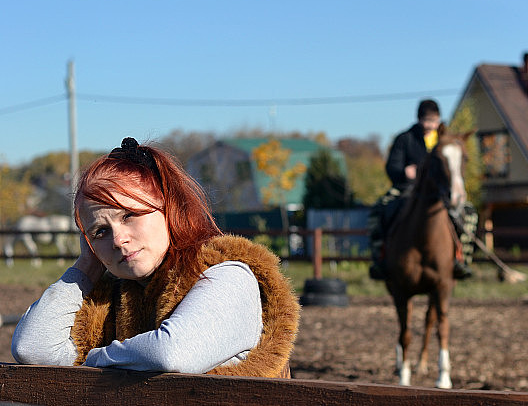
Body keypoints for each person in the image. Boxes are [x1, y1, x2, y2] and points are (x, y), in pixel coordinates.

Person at [12, 138, 300, 377]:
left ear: (170, 208)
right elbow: (33, 348)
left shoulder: (226, 277)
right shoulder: (113, 299)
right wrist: (86, 267)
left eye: (130, 215)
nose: (118, 239)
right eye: (100, 231)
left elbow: (173, 353)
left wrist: (93, 360)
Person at [368, 99, 473, 280]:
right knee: (378, 210)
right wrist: (404, 172)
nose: (430, 125)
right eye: (427, 121)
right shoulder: (405, 139)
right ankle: (380, 258)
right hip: (406, 189)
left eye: (434, 121)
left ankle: (463, 259)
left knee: (469, 213)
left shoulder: (444, 141)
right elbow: (391, 167)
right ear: (418, 119)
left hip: (439, 192)